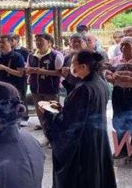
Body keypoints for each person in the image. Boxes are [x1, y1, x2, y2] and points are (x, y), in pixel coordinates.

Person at [42, 50, 117, 188]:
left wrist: (49, 114)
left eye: (73, 64)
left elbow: (70, 122)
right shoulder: (100, 82)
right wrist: (63, 108)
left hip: (82, 141)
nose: (71, 67)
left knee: (82, 177)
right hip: (97, 136)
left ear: (83, 66)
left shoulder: (84, 88)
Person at [26, 33, 63, 140]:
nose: (38, 43)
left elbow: (60, 73)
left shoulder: (55, 55)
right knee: (41, 115)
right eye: (36, 41)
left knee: (52, 114)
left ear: (49, 43)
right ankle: (47, 137)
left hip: (50, 90)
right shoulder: (31, 55)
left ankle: (56, 137)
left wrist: (42, 71)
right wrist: (29, 71)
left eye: (40, 41)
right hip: (35, 89)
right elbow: (27, 69)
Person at [0, 34, 28, 126]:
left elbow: (20, 73)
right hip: (1, 85)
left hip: (15, 86)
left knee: (15, 107)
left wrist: (5, 68)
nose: (0, 44)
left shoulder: (17, 56)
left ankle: (21, 120)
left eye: (3, 42)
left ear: (11, 43)